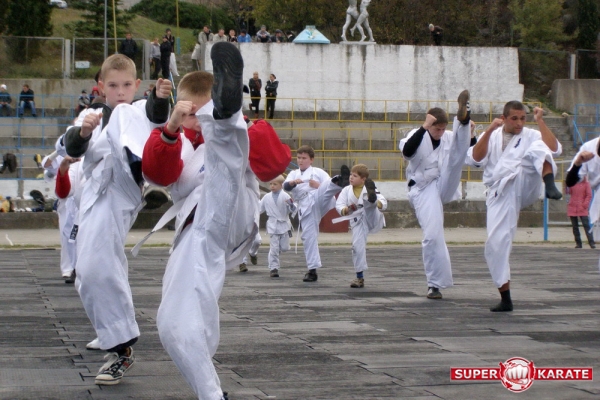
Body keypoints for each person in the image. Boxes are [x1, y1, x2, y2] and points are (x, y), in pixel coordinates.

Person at [141, 44, 290, 400]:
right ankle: (212, 393)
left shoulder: (243, 132)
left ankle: (226, 115)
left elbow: (274, 166)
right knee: (176, 323)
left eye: (203, 111)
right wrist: (170, 127)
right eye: (191, 114)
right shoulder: (178, 142)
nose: (196, 120)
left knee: (224, 150)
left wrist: (241, 125)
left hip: (234, 211)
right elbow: (157, 174)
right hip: (196, 230)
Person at [63, 53, 172, 385]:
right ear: (101, 86)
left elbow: (156, 115)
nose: (120, 91)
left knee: (100, 264)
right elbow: (72, 148)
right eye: (113, 86)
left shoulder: (137, 111)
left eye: (126, 85)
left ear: (137, 85)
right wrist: (84, 132)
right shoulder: (92, 116)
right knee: (87, 271)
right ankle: (109, 329)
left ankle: (121, 348)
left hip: (125, 186)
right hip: (94, 195)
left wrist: (159, 97)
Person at [466, 102, 563, 312]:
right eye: (514, 119)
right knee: (496, 243)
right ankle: (505, 298)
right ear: (504, 118)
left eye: (523, 118)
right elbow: (475, 159)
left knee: (538, 147)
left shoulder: (531, 134)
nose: (519, 123)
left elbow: (554, 149)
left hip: (524, 181)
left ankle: (549, 184)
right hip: (499, 191)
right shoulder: (493, 135)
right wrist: (489, 129)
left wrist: (540, 121)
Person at [399, 90, 473, 300]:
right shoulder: (416, 135)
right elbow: (407, 153)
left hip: (444, 182)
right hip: (423, 188)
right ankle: (434, 284)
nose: (440, 132)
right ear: (429, 124)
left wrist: (471, 135)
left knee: (456, 159)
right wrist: (424, 127)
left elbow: (470, 155)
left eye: (442, 129)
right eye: (436, 128)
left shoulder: (449, 137)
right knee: (432, 235)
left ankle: (464, 120)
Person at [284, 147, 350, 282]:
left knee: (324, 187)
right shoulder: (294, 173)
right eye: (299, 158)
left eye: (304, 158)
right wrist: (293, 183)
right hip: (305, 207)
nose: (301, 161)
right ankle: (312, 270)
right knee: (308, 237)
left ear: (311, 160)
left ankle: (339, 180)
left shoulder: (318, 172)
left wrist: (317, 185)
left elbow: (324, 186)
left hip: (319, 199)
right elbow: (285, 186)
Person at [335, 164, 387, 288]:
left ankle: (371, 200)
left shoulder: (371, 187)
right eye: (350, 175)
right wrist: (346, 210)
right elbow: (339, 205)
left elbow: (384, 203)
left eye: (354, 176)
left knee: (368, 202)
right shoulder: (346, 190)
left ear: (363, 179)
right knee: (356, 247)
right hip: (357, 220)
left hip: (372, 216)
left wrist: (377, 203)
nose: (351, 178)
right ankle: (359, 277)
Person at [260, 175, 296, 278]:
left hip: (284, 224)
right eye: (270, 184)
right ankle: (273, 268)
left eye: (275, 184)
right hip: (273, 225)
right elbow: (259, 208)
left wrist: (291, 205)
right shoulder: (266, 197)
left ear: (281, 185)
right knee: (274, 248)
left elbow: (293, 209)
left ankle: (275, 254)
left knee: (284, 247)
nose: (272, 186)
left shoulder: (286, 196)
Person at [566, 176, 595, 248]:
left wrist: (585, 204)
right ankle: (578, 243)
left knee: (586, 225)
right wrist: (567, 184)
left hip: (582, 208)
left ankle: (591, 242)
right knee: (575, 226)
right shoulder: (572, 182)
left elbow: (589, 195)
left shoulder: (586, 184)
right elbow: (568, 192)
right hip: (572, 207)